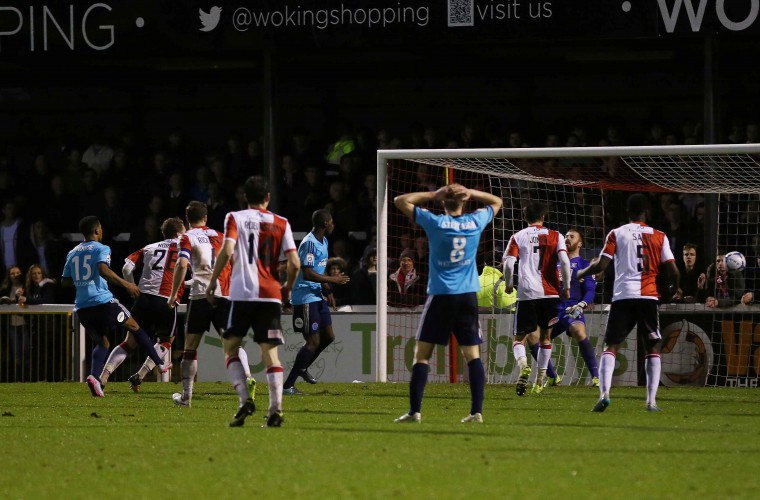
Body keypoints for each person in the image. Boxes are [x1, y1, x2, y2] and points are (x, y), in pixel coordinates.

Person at [393, 182, 502, 424]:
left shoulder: (436, 223)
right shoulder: (475, 221)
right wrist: (471, 192)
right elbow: (497, 202)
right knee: (472, 356)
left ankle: (415, 411)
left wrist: (433, 194)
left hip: (442, 294)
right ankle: (476, 412)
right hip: (467, 296)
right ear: (463, 202)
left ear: (443, 202)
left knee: (421, 356)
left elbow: (400, 200)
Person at [206, 176, 300, 428]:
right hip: (270, 295)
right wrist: (287, 288)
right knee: (270, 354)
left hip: (242, 294)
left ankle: (245, 400)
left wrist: (213, 281)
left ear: (245, 198)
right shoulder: (282, 222)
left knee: (230, 348)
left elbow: (227, 250)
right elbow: (294, 263)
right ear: (268, 197)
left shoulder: (234, 218)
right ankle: (276, 409)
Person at [577, 193, 681, 412]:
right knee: (652, 348)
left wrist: (582, 272)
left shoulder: (617, 233)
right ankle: (651, 402)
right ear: (647, 212)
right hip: (648, 298)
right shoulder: (659, 236)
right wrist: (668, 292)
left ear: (627, 212)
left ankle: (604, 394)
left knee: (611, 346)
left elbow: (601, 265)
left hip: (623, 297)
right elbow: (674, 271)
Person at [61, 216, 166, 397]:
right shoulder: (101, 248)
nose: (102, 231)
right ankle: (160, 364)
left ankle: (95, 378)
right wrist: (127, 285)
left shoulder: (72, 252)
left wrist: (82, 280)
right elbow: (103, 269)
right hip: (103, 302)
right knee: (135, 327)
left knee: (102, 342)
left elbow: (64, 281)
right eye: (100, 229)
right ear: (96, 230)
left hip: (82, 307)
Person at [168, 201, 256, 407]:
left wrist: (174, 294)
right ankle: (248, 376)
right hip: (223, 295)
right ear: (206, 217)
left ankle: (186, 397)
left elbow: (182, 264)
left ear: (188, 219)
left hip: (200, 296)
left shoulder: (186, 237)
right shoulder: (220, 235)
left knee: (190, 347)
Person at [98, 217, 185, 390]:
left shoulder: (149, 248)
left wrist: (132, 287)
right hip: (167, 299)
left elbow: (126, 268)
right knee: (167, 340)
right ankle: (140, 375)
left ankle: (103, 376)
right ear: (177, 233)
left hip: (143, 299)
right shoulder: (184, 248)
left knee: (129, 342)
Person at [502, 200, 571, 396]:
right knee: (546, 337)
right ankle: (540, 379)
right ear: (543, 217)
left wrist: (509, 284)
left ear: (525, 218)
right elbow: (565, 262)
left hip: (527, 294)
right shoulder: (556, 235)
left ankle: (524, 365)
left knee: (519, 339)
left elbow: (508, 264)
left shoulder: (518, 236)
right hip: (549, 293)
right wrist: (565, 287)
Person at [283, 209, 350, 395]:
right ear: (325, 224)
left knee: (328, 336)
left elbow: (318, 268)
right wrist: (333, 280)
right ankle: (288, 385)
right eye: (331, 222)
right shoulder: (309, 244)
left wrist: (327, 290)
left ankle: (302, 367)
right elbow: (308, 272)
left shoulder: (324, 241)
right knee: (312, 341)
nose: (333, 224)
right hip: (304, 297)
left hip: (317, 295)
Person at [548, 228, 599, 387]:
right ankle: (553, 377)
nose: (567, 238)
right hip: (553, 308)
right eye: (566, 236)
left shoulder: (584, 265)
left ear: (580, 243)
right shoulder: (554, 264)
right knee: (535, 339)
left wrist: (582, 304)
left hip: (573, 308)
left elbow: (590, 289)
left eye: (572, 236)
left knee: (579, 331)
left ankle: (596, 377)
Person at [0, 265, 28, 381]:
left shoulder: (27, 287)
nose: (15, 275)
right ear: (9, 276)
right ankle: (18, 379)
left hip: (26, 324)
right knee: (16, 355)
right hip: (12, 326)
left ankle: (27, 379)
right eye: (13, 273)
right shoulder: (5, 289)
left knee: (26, 354)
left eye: (17, 272)